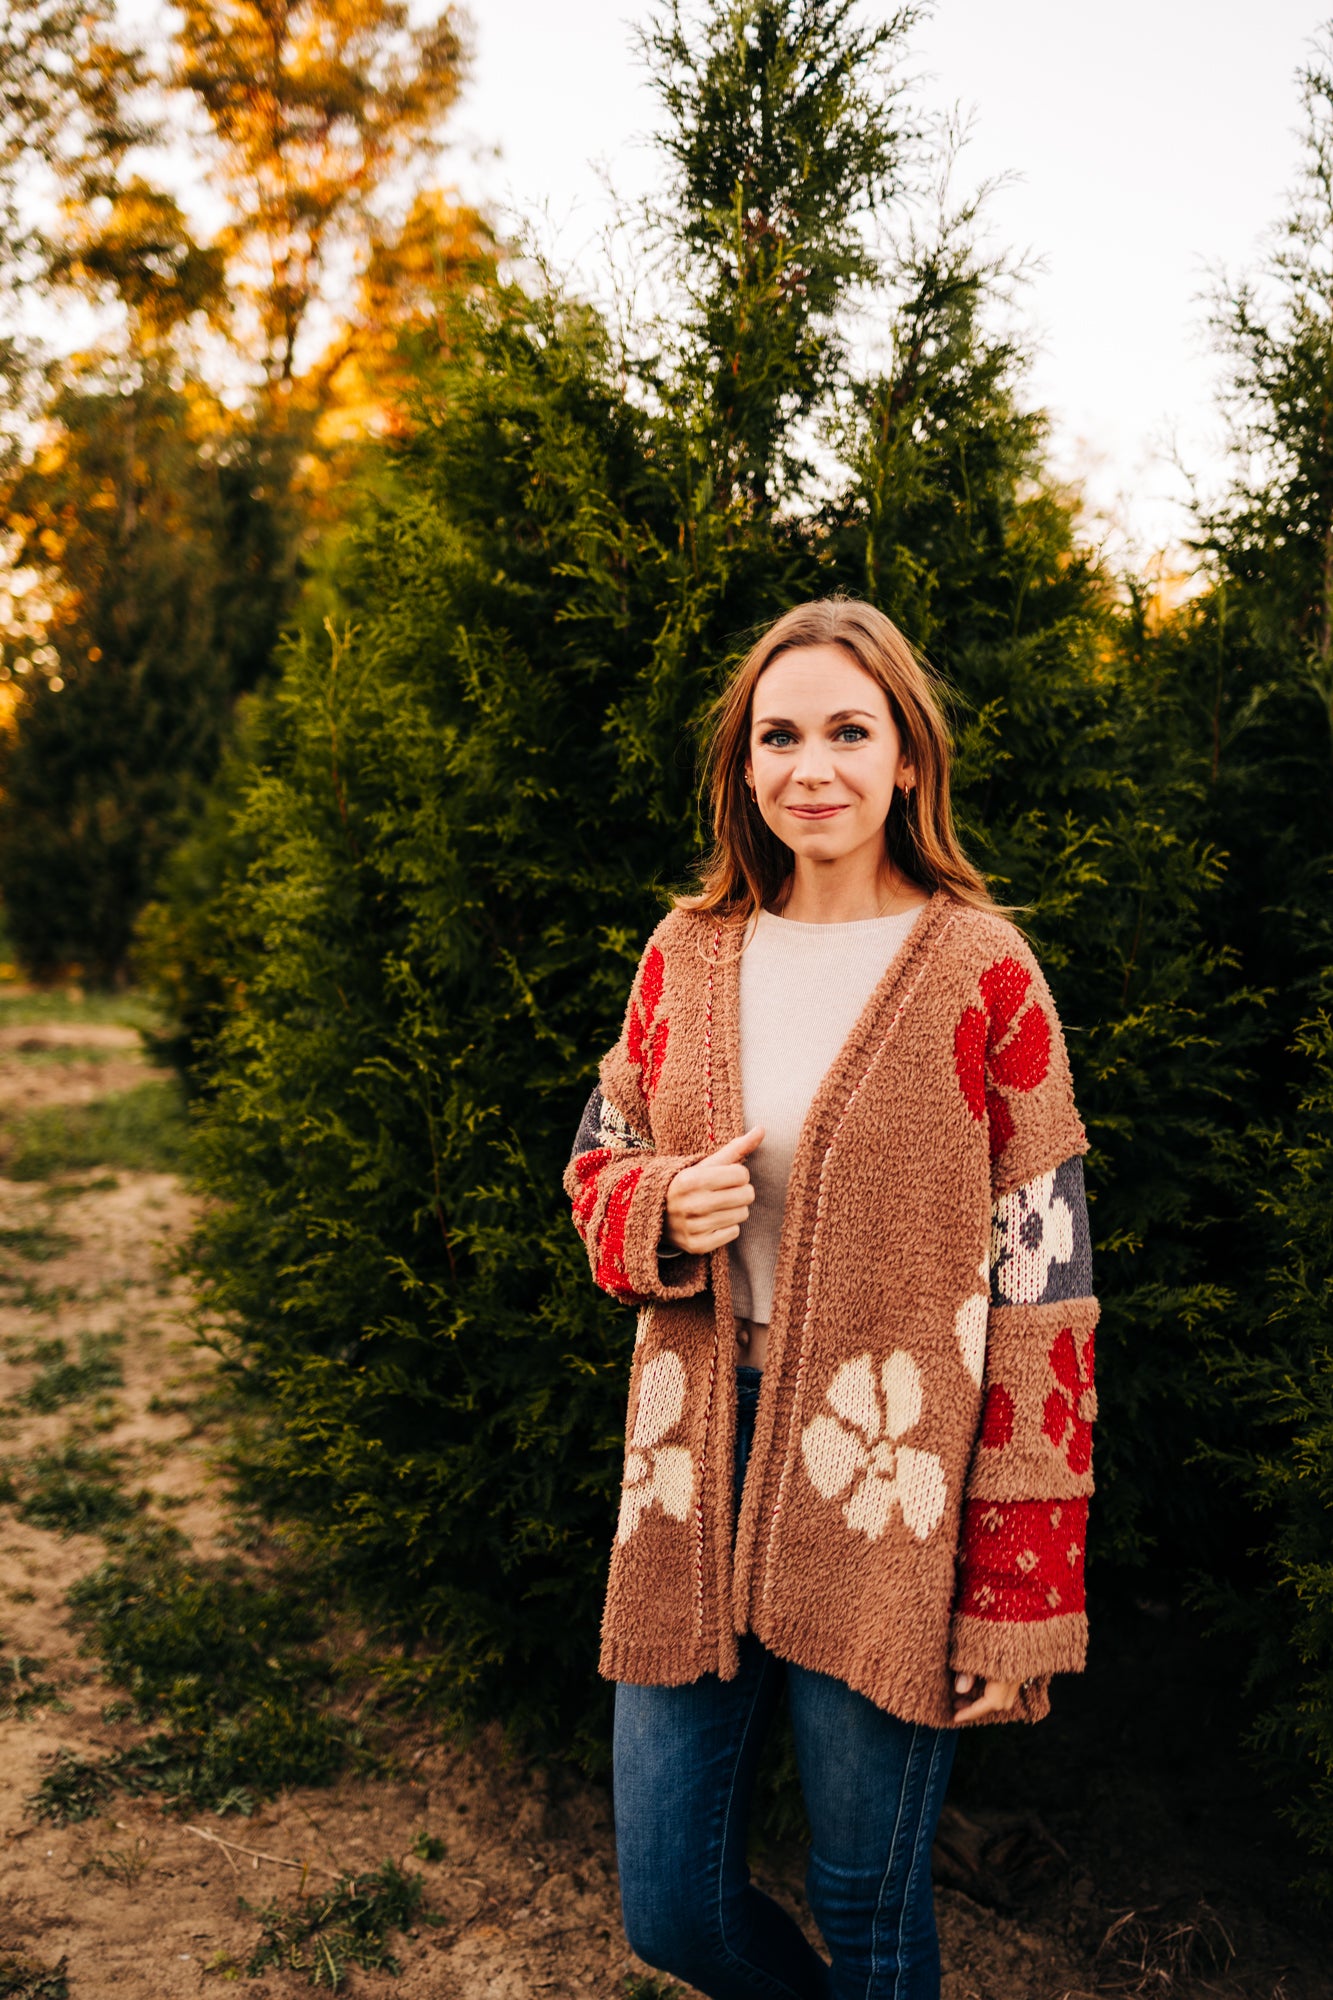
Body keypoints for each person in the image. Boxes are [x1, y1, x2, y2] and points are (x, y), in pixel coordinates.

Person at [564, 598, 1097, 2000]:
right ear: (743, 764)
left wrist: (1019, 1590)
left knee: (866, 1908)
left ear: (907, 757)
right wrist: (658, 1210)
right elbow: (597, 1162)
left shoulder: (983, 971)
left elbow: (1047, 1293)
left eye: (848, 733)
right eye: (779, 736)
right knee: (669, 1908)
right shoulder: (687, 952)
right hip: (691, 1460)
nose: (812, 768)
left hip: (888, 1479)